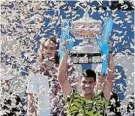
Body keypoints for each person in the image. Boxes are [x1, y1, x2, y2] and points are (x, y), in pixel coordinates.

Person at [58, 42, 115, 116]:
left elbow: (110, 78)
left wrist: (109, 52)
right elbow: (62, 79)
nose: (87, 85)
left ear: (95, 82)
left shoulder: (101, 99)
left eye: (90, 82)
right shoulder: (73, 98)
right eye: (84, 82)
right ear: (79, 82)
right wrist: (66, 53)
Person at [27, 37, 76, 116]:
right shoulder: (35, 69)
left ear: (56, 51)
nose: (48, 51)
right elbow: (31, 94)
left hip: (62, 110)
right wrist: (31, 112)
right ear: (42, 49)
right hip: (42, 112)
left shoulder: (65, 67)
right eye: (45, 48)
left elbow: (72, 89)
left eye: (52, 48)